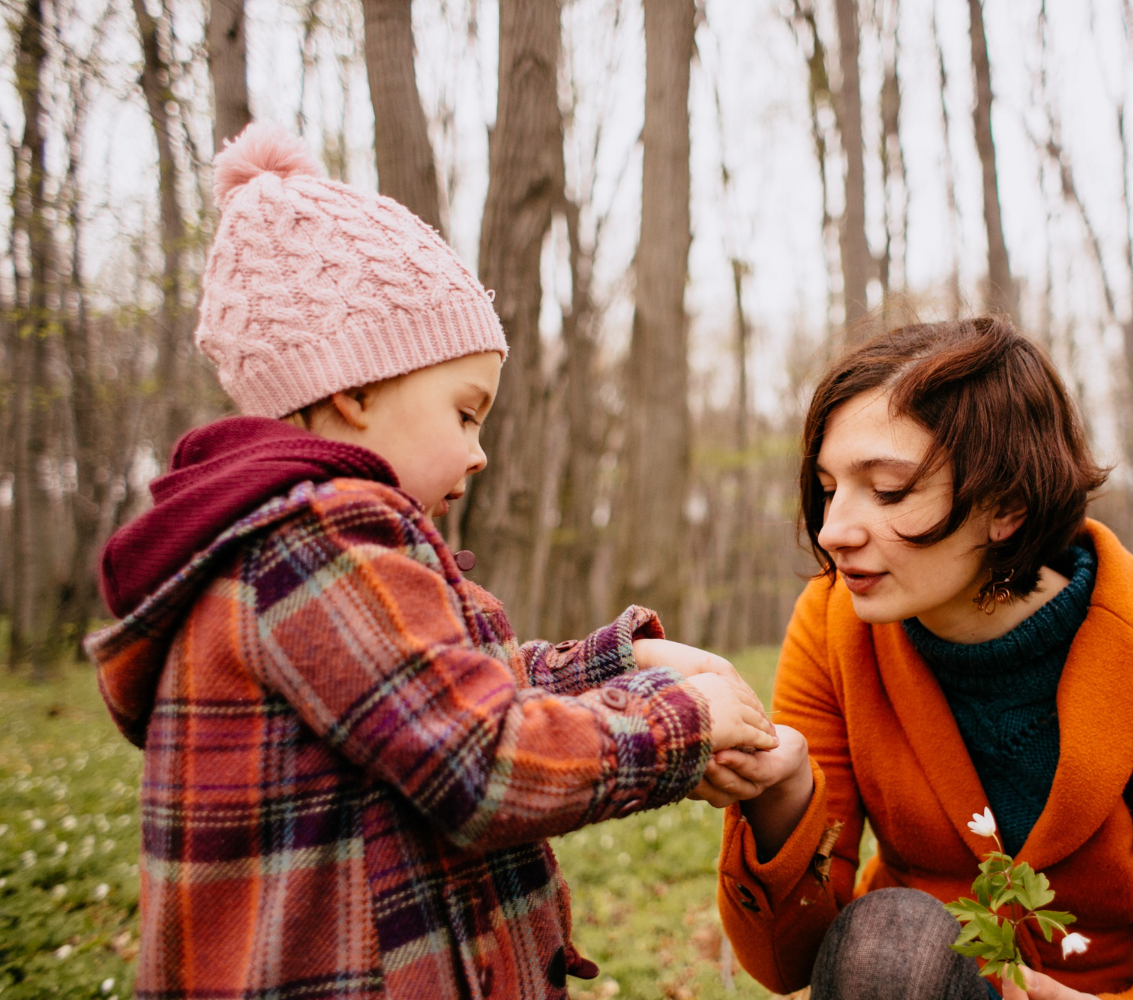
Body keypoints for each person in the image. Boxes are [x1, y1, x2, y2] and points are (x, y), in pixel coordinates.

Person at [84, 122, 777, 1000]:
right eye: (464, 412)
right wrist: (682, 718)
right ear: (354, 389)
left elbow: (437, 687)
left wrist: (619, 662)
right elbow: (479, 760)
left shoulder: (288, 541)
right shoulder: (315, 544)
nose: (479, 453)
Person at [704, 318, 1133, 1000]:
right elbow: (789, 965)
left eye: (888, 490)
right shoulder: (836, 626)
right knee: (889, 943)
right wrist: (781, 797)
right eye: (830, 489)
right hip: (904, 982)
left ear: (1006, 506)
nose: (833, 531)